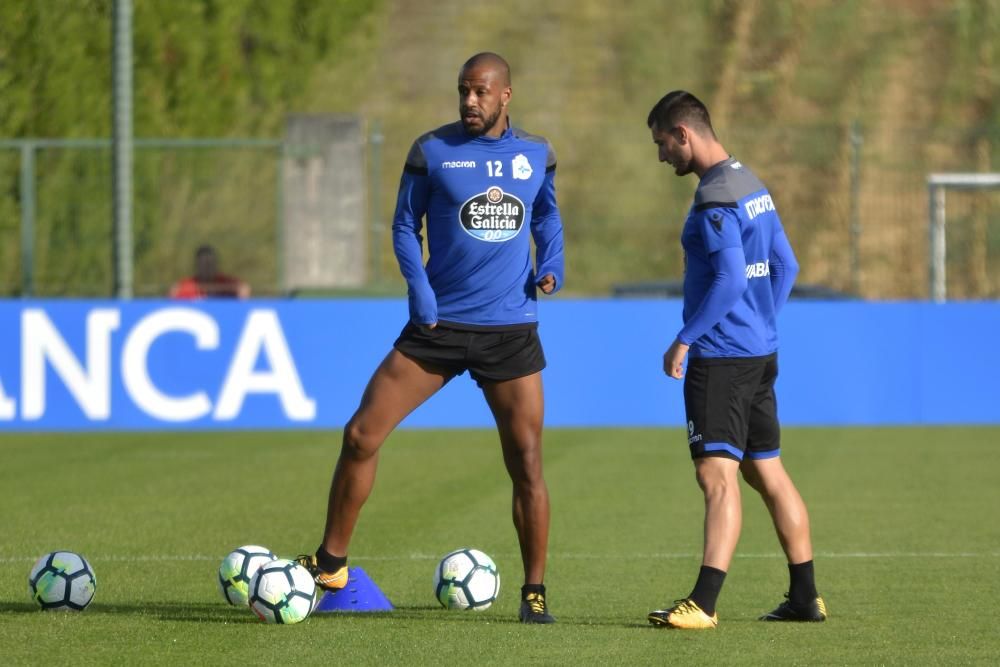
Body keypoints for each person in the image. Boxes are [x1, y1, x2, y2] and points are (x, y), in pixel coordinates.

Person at [296, 52, 564, 624]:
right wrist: (418, 286)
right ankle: (331, 563)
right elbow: (402, 224)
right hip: (437, 328)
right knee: (361, 434)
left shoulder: (536, 154)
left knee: (528, 463)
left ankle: (534, 592)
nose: (469, 101)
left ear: (506, 96)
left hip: (510, 331)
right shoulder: (431, 150)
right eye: (463, 91)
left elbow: (546, 216)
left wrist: (554, 262)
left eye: (481, 92)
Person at [644, 91, 826, 629]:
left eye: (661, 144)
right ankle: (805, 597)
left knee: (716, 476)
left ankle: (703, 603)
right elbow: (785, 265)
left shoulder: (716, 197)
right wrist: (762, 321)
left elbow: (726, 281)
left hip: (721, 358)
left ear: (684, 134)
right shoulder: (752, 184)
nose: (661, 157)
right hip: (759, 353)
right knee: (765, 471)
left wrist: (685, 338)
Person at [169, 245, 250, 299]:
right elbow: (174, 293)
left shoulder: (225, 282)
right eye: (203, 265)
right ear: (197, 265)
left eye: (210, 264)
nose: (207, 268)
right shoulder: (188, 285)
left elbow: (244, 289)